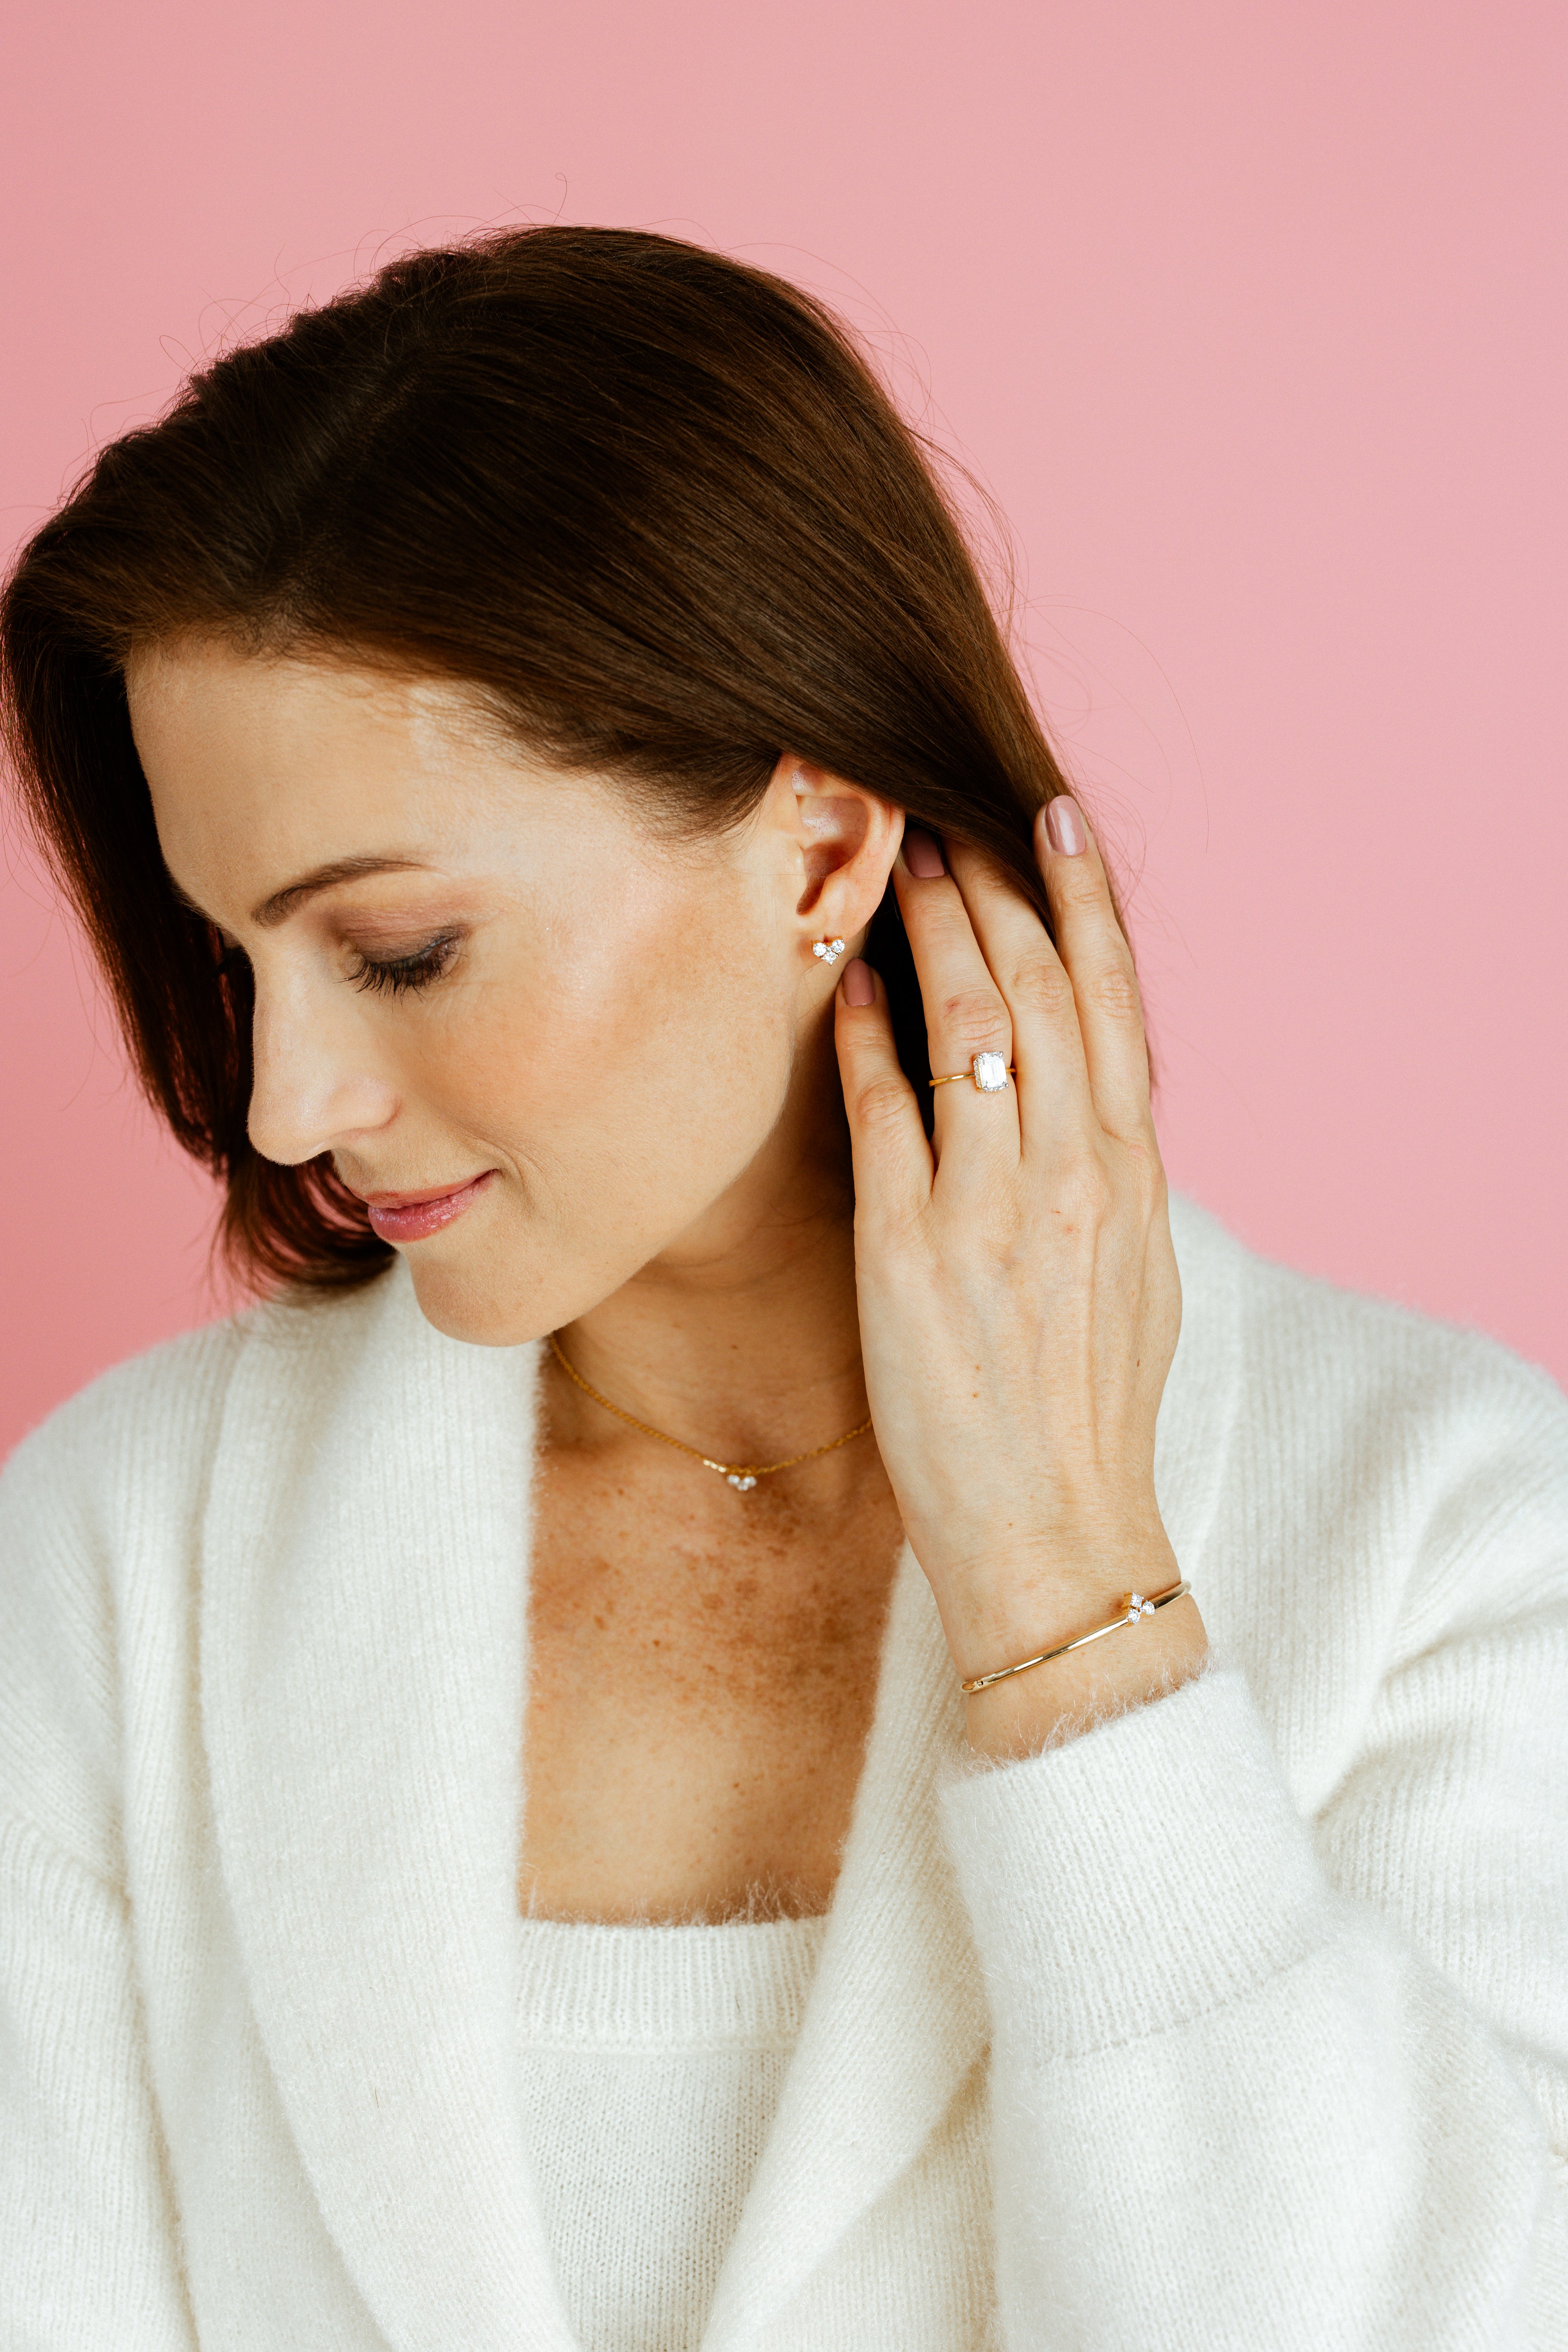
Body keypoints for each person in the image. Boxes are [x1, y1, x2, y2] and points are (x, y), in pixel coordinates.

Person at [0, 225, 1563, 2352]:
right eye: (230, 956)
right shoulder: (120, 1559)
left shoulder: (1451, 1528)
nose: (284, 1100)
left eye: (392, 951)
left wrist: (1071, 1606)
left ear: (817, 854)